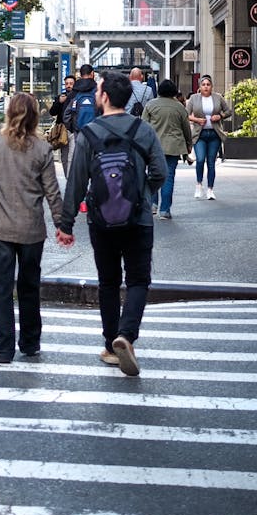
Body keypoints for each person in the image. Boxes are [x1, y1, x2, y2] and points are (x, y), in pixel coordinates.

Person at [57, 70, 166, 376]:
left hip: (100, 220)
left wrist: (66, 224)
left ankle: (110, 345)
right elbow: (159, 172)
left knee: (108, 281)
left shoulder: (90, 132)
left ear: (104, 96)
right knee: (138, 280)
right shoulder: (142, 129)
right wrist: (142, 194)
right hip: (139, 218)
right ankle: (126, 336)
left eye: (98, 89)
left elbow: (76, 182)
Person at [0, 92, 63, 364]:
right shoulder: (42, 149)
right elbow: (52, 191)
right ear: (36, 116)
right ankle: (30, 342)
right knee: (29, 287)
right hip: (31, 230)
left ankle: (3, 348)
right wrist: (62, 224)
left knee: (2, 289)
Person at [143, 79, 192, 218]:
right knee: (168, 177)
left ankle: (153, 205)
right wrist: (189, 144)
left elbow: (144, 125)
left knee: (153, 175)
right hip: (174, 146)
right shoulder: (179, 107)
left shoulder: (150, 105)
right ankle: (165, 210)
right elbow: (186, 128)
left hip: (153, 146)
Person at [186, 76, 232, 200]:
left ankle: (210, 189)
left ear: (211, 86)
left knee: (211, 162)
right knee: (200, 159)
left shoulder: (218, 98)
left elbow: (228, 111)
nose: (206, 87)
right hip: (200, 134)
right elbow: (185, 114)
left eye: (208, 84)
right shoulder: (194, 98)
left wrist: (220, 116)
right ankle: (199, 185)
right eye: (203, 84)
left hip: (214, 134)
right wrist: (196, 119)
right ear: (200, 87)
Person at [49, 74, 76, 172]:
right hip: (62, 131)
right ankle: (67, 177)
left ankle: (71, 178)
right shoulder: (60, 97)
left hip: (73, 130)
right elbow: (52, 112)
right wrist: (59, 102)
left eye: (71, 83)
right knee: (64, 157)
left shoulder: (77, 97)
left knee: (72, 156)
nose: (69, 85)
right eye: (67, 84)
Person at [63, 64, 97, 136]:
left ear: (81, 75)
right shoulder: (98, 91)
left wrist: (73, 128)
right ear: (92, 73)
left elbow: (66, 114)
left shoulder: (74, 92)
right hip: (96, 132)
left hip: (79, 132)